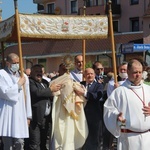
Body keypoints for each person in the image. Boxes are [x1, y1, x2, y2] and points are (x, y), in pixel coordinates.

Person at [104, 58, 150, 150]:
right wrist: (116, 116)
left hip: (147, 137)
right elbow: (108, 109)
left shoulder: (148, 89)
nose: (138, 75)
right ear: (128, 72)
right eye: (135, 72)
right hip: (128, 137)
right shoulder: (119, 91)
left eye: (140, 72)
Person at [50, 55, 88, 150]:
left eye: (66, 68)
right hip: (61, 109)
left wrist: (76, 89)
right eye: (63, 68)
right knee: (61, 131)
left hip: (72, 110)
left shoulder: (72, 79)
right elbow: (52, 90)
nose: (65, 70)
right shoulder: (56, 81)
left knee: (70, 133)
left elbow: (82, 93)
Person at [0, 53, 32, 150]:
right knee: (8, 143)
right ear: (7, 63)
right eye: (14, 63)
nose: (16, 65)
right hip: (8, 113)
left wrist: (28, 115)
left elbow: (27, 96)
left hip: (20, 114)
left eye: (18, 63)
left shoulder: (23, 76)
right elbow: (5, 92)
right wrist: (18, 85)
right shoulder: (2, 74)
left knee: (20, 142)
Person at [27, 64, 61, 150]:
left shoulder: (45, 82)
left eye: (41, 72)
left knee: (43, 143)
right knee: (35, 144)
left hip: (46, 119)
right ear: (31, 72)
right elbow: (37, 92)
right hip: (35, 118)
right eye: (37, 71)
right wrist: (50, 90)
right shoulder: (30, 82)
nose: (39, 73)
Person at [75, 68, 103, 150]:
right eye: (87, 74)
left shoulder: (99, 85)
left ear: (94, 75)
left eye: (91, 74)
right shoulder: (80, 84)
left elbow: (97, 96)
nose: (89, 75)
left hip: (94, 117)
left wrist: (85, 93)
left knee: (94, 138)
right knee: (83, 138)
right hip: (81, 116)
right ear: (84, 75)